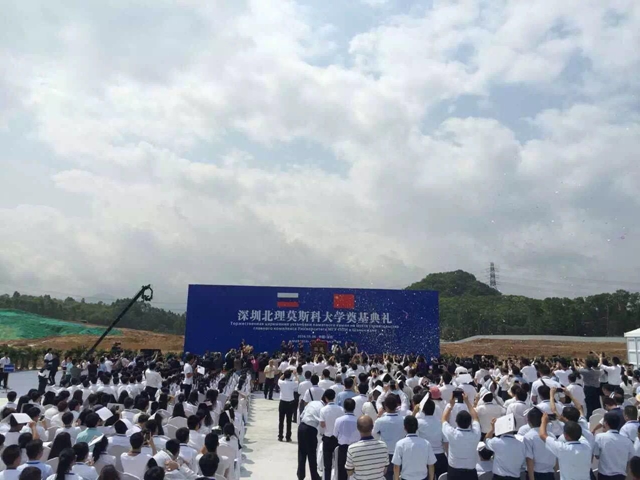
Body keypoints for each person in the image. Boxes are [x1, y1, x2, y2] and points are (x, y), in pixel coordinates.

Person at [538, 414, 591, 480]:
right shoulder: (587, 446)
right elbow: (579, 433)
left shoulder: (562, 449)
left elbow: (542, 435)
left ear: (565, 435)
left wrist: (543, 421)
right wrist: (566, 422)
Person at [442, 393, 481, 480]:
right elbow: (475, 417)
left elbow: (444, 419)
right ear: (470, 423)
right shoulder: (476, 434)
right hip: (470, 472)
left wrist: (451, 405)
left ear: (456, 421)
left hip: (454, 472)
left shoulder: (452, 433)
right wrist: (467, 402)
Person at [391, 415, 436, 480]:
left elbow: (396, 466)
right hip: (423, 478)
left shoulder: (400, 444)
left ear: (404, 428)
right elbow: (431, 464)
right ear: (417, 428)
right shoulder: (426, 443)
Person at [345, 415, 389, 480]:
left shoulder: (352, 448)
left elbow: (349, 472)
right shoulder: (383, 446)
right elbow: (385, 470)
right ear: (372, 427)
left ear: (357, 428)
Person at [593, 412, 634, 480]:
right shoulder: (627, 441)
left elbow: (597, 455)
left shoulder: (599, 437)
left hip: (604, 475)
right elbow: (631, 459)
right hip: (620, 476)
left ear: (606, 423)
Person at [373, 395, 406, 480]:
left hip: (385, 452)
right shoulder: (403, 419)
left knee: (386, 476)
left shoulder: (380, 421)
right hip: (400, 453)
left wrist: (380, 438)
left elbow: (373, 433)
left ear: (385, 406)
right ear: (397, 406)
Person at [297, 391, 326, 480]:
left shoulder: (312, 403)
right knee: (312, 454)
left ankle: (300, 475)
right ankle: (314, 476)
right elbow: (322, 424)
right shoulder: (323, 408)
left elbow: (302, 414)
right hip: (310, 429)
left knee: (301, 452)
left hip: (301, 426)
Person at [319, 389, 343, 480]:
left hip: (327, 438)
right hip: (337, 439)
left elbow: (322, 424)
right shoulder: (341, 409)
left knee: (327, 464)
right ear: (334, 397)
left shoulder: (323, 410)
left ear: (325, 398)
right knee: (338, 463)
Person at [333, 398, 359, 480]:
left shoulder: (339, 420)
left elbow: (335, 434)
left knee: (342, 471)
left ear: (344, 407)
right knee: (355, 472)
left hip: (343, 448)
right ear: (354, 407)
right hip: (355, 448)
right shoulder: (358, 420)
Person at [277, 370, 297, 442]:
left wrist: (284, 374)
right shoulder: (292, 383)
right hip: (290, 403)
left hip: (282, 402)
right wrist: (295, 374)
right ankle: (288, 437)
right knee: (289, 421)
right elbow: (298, 382)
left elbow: (279, 379)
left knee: (281, 421)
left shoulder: (281, 383)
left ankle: (280, 436)